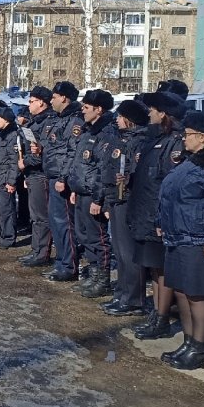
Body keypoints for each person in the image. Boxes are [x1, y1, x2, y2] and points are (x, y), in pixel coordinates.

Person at [157, 111, 204, 370]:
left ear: (203, 137)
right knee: (181, 291)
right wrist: (162, 223)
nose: (183, 139)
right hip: (178, 236)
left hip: (197, 237)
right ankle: (189, 343)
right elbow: (171, 196)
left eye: (188, 134)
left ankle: (199, 348)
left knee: (197, 295)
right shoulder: (192, 161)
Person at [128, 90, 187, 339]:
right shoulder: (153, 138)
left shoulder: (175, 141)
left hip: (157, 217)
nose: (149, 113)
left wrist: (160, 217)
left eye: (152, 110)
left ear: (163, 113)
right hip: (145, 213)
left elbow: (169, 184)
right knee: (153, 268)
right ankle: (156, 313)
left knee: (162, 270)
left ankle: (162, 318)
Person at [99, 99, 151, 316]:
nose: (117, 120)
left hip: (128, 199)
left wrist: (128, 177)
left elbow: (140, 172)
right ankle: (122, 292)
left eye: (121, 117)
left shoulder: (139, 141)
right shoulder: (121, 139)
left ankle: (133, 299)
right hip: (115, 198)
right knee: (119, 251)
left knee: (129, 252)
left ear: (130, 120)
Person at [65, 89, 116, 298]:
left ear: (99, 109)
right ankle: (92, 274)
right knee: (84, 236)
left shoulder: (107, 133)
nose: (82, 111)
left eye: (86, 108)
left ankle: (102, 279)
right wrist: (75, 188)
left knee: (98, 238)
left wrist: (98, 198)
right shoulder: (88, 131)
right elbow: (81, 164)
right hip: (82, 191)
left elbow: (104, 170)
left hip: (94, 195)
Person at [44, 81, 83, 282]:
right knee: (56, 223)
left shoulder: (75, 121)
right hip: (53, 176)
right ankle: (61, 262)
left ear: (64, 98)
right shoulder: (60, 119)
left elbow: (72, 151)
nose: (51, 101)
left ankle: (69, 266)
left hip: (62, 179)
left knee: (65, 224)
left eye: (54, 97)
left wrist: (63, 177)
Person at [19, 87, 55, 267]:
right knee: (35, 216)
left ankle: (42, 253)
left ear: (41, 102)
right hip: (32, 174)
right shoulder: (33, 123)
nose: (29, 105)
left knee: (41, 216)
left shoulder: (47, 123)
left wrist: (25, 162)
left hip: (40, 173)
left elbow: (39, 152)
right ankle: (36, 249)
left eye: (32, 101)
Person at [0, 106, 21, 248]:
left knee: (7, 209)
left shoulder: (12, 135)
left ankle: (9, 237)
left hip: (5, 177)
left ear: (6, 120)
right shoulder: (0, 134)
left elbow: (14, 161)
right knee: (1, 209)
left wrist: (11, 181)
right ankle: (3, 234)